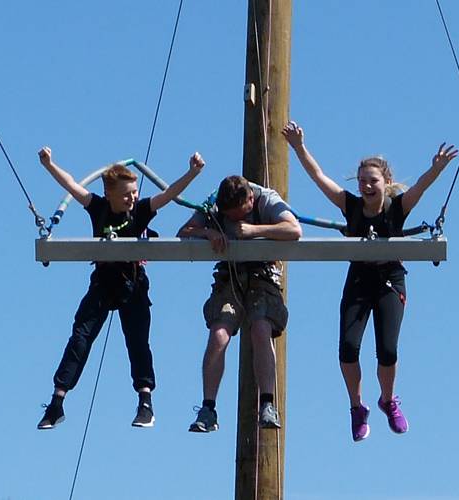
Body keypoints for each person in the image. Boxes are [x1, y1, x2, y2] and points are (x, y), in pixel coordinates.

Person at [282, 121, 457, 441]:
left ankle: (388, 400)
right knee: (348, 348)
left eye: (372, 180)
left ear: (385, 182)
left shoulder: (397, 206)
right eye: (361, 181)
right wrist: (299, 148)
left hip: (390, 279)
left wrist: (438, 168)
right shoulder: (350, 206)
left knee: (387, 349)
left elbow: (421, 185)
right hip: (360, 279)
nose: (366, 186)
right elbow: (320, 178)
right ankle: (356, 408)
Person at [36, 146, 205, 430]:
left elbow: (169, 195)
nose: (132, 198)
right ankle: (57, 402)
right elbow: (71, 185)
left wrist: (192, 173)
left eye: (135, 192)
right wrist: (48, 164)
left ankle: (145, 402)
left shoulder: (140, 210)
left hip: (133, 285)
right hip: (103, 283)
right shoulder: (98, 207)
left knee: (137, 342)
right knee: (80, 338)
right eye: (126, 194)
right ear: (110, 194)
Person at [178, 175, 302, 432]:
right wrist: (208, 232)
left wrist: (256, 231)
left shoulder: (266, 199)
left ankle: (267, 404)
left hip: (263, 273)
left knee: (260, 328)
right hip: (230, 274)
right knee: (219, 334)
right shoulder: (214, 204)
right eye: (230, 216)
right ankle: (208, 408)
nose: (235, 220)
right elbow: (184, 232)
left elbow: (294, 230)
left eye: (240, 214)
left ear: (250, 199)